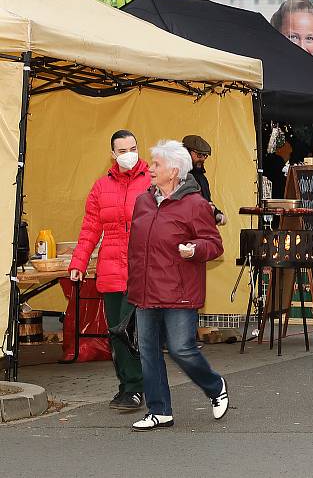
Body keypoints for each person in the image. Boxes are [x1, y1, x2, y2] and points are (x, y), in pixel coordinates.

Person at [128, 140, 228, 431]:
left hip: (179, 291)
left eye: (156, 164)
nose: (150, 168)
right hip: (145, 290)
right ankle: (160, 411)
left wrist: (194, 249)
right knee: (147, 350)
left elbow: (214, 245)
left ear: (174, 171)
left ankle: (214, 385)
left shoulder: (196, 205)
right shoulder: (142, 201)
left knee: (181, 349)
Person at [69, 130, 149, 412]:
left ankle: (137, 386)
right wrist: (79, 263)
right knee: (118, 330)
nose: (129, 154)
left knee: (138, 331)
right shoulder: (101, 187)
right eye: (123, 150)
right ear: (113, 154)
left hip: (144, 268)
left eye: (134, 148)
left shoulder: (152, 181)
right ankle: (128, 386)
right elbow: (90, 228)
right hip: (112, 267)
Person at [182, 135, 226, 226]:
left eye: (205, 156)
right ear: (185, 153)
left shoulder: (202, 178)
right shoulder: (176, 176)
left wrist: (217, 215)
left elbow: (207, 202)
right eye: (199, 155)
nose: (202, 159)